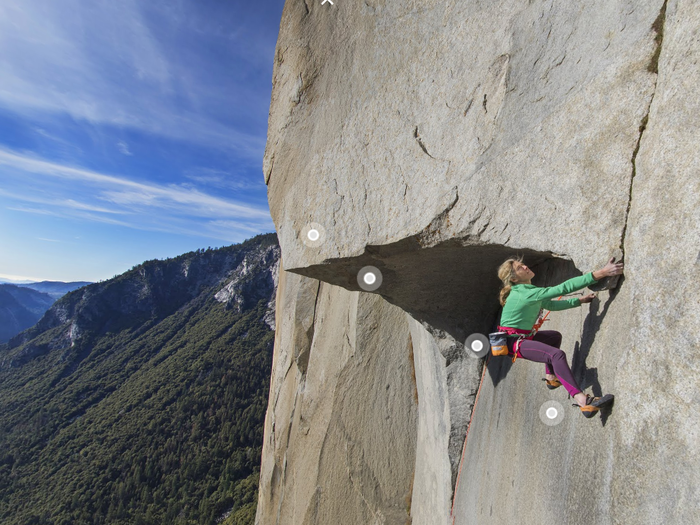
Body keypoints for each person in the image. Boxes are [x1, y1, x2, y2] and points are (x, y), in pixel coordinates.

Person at [496, 256, 624, 418]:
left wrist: (578, 301)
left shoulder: (526, 291)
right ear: (514, 278)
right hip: (513, 343)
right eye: (521, 267)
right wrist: (601, 273)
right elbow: (563, 288)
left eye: (523, 264)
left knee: (553, 337)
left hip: (520, 339)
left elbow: (549, 305)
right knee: (556, 355)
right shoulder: (525, 293)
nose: (526, 267)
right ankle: (582, 400)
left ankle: (551, 377)